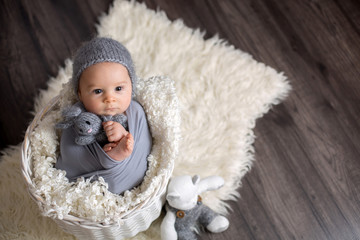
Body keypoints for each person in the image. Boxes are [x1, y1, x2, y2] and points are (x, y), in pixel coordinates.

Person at [55, 37, 152, 195]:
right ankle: (112, 157)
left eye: (119, 88)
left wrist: (123, 135)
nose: (110, 99)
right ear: (80, 94)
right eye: (98, 91)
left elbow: (144, 145)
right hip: (91, 186)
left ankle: (114, 156)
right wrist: (103, 152)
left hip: (133, 176)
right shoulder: (79, 116)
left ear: (131, 85)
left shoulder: (136, 112)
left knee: (127, 144)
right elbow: (72, 155)